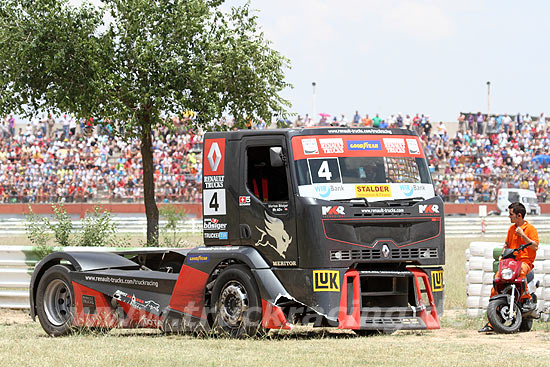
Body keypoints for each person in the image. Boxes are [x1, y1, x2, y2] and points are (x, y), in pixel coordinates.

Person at [479, 201, 539, 332]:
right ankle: (492, 322)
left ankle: (526, 299)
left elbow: (535, 246)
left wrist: (522, 235)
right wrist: (501, 256)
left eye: (511, 214)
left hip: (524, 262)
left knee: (521, 271)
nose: (509, 217)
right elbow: (506, 244)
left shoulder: (530, 229)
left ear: (519, 215)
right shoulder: (511, 229)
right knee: (496, 282)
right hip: (510, 262)